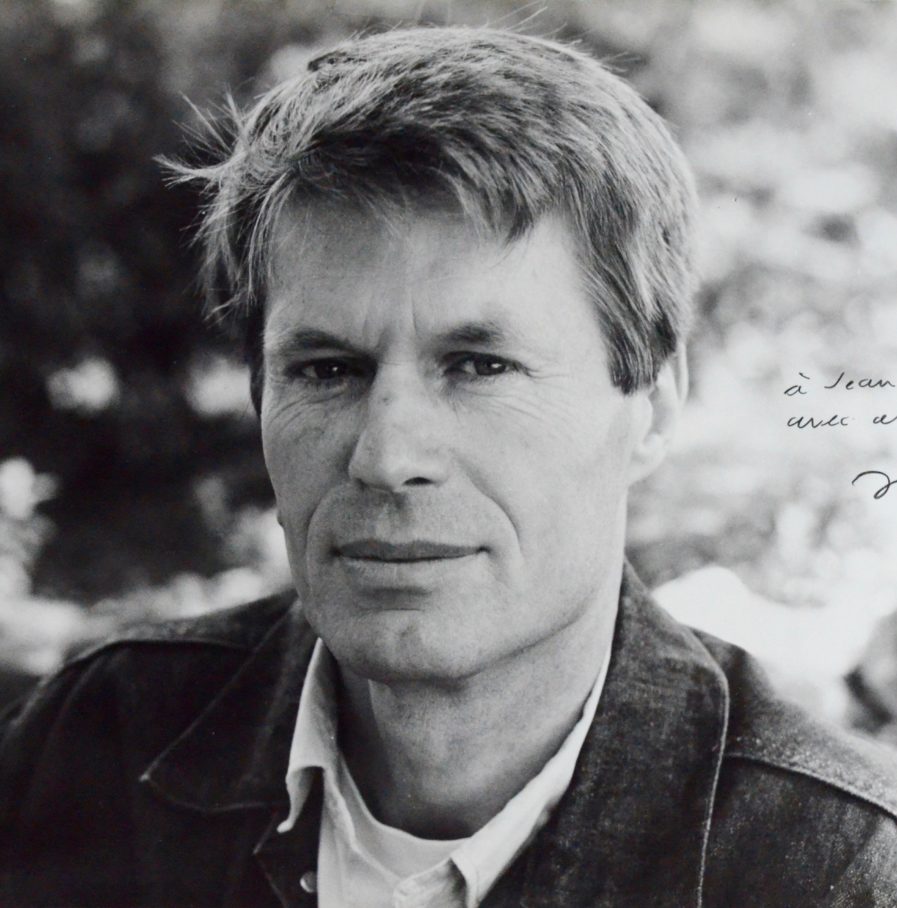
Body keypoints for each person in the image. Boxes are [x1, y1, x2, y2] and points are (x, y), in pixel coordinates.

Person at [2, 25, 897, 908]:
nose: (387, 457)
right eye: (327, 370)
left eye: (479, 366)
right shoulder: (97, 746)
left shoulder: (833, 870)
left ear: (652, 405)